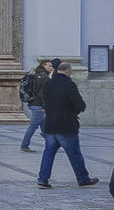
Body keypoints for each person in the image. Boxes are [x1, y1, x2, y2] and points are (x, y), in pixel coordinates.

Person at [37, 61, 98, 189]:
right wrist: (73, 111)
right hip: (65, 125)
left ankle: (43, 179)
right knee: (74, 153)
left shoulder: (48, 84)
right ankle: (83, 179)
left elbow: (45, 101)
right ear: (67, 71)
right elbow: (80, 105)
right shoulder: (69, 84)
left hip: (50, 124)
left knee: (48, 152)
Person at [20, 60, 52, 152]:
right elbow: (43, 94)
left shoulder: (35, 75)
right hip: (39, 106)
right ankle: (24, 145)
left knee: (44, 125)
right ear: (44, 65)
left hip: (33, 104)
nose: (51, 68)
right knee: (33, 126)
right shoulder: (45, 77)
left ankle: (50, 143)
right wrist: (44, 107)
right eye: (49, 66)